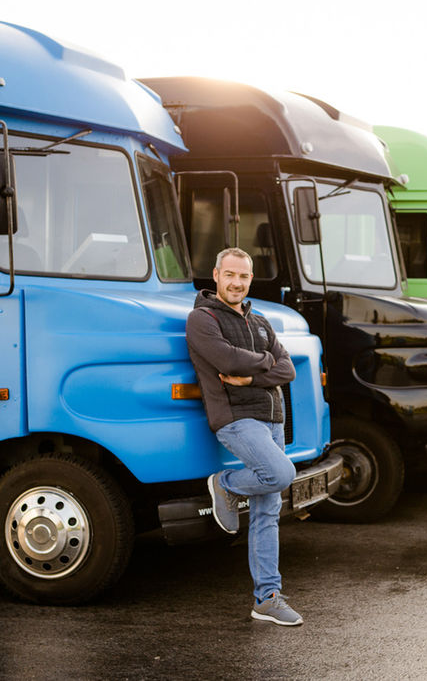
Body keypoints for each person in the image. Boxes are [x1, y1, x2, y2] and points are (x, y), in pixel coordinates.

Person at [185, 247, 303, 626]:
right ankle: (226, 484)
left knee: (269, 510)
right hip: (237, 419)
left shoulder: (261, 322)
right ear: (216, 275)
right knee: (282, 474)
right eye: (230, 275)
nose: (237, 283)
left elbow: (288, 370)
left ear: (251, 279)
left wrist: (254, 375)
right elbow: (228, 360)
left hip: (272, 419)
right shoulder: (202, 319)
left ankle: (267, 597)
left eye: (244, 277)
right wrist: (266, 363)